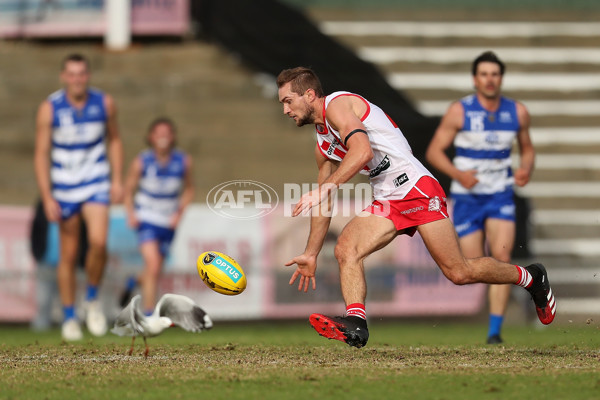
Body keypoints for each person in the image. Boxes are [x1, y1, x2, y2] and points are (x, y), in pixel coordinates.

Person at [276, 66, 555, 348]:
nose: (286, 110)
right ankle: (357, 324)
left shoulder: (338, 105)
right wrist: (311, 253)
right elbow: (323, 203)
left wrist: (325, 187)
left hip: (416, 188)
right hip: (388, 198)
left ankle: (531, 277)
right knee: (346, 249)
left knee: (459, 272)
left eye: (288, 101)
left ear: (310, 94)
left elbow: (363, 151)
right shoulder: (323, 143)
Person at [425, 51, 535, 344]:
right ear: (475, 79)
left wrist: (525, 168)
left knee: (502, 256)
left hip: (500, 195)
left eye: (495, 74)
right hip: (467, 198)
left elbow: (527, 148)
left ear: (501, 78)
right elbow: (434, 151)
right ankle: (496, 311)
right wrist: (459, 175)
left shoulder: (518, 112)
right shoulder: (459, 111)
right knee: (472, 265)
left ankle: (494, 332)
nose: (490, 79)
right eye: (484, 74)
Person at [34, 53, 124, 341]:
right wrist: (47, 196)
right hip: (64, 186)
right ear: (64, 77)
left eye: (82, 73)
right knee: (69, 255)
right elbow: (41, 153)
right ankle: (70, 316)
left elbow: (115, 140)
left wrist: (118, 179)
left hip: (96, 180)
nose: (77, 79)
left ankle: (92, 299)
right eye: (72, 74)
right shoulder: (50, 108)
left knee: (98, 242)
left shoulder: (104, 103)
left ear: (88, 76)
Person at [123, 117, 194, 315]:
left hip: (168, 222)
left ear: (173, 137)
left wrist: (179, 213)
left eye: (167, 134)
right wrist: (130, 213)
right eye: (158, 134)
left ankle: (134, 280)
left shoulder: (183, 161)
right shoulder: (142, 161)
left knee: (154, 270)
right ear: (151, 137)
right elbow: (128, 190)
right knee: (153, 264)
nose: (163, 138)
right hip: (146, 219)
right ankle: (149, 314)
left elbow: (189, 190)